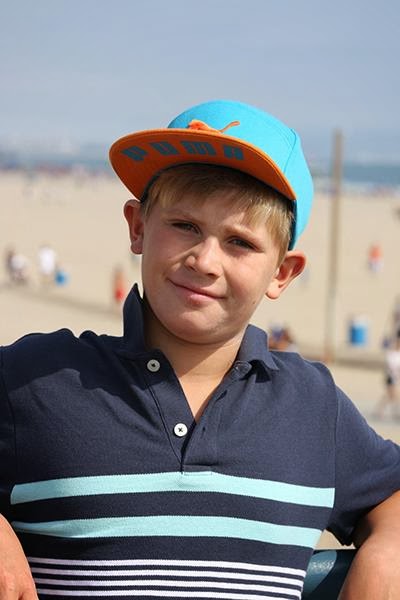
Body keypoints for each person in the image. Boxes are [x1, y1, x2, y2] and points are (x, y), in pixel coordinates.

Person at [1, 99, 400, 600]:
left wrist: (389, 551)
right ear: (138, 227)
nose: (205, 261)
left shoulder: (312, 407)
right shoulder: (37, 379)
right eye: (185, 226)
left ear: (282, 273)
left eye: (240, 243)